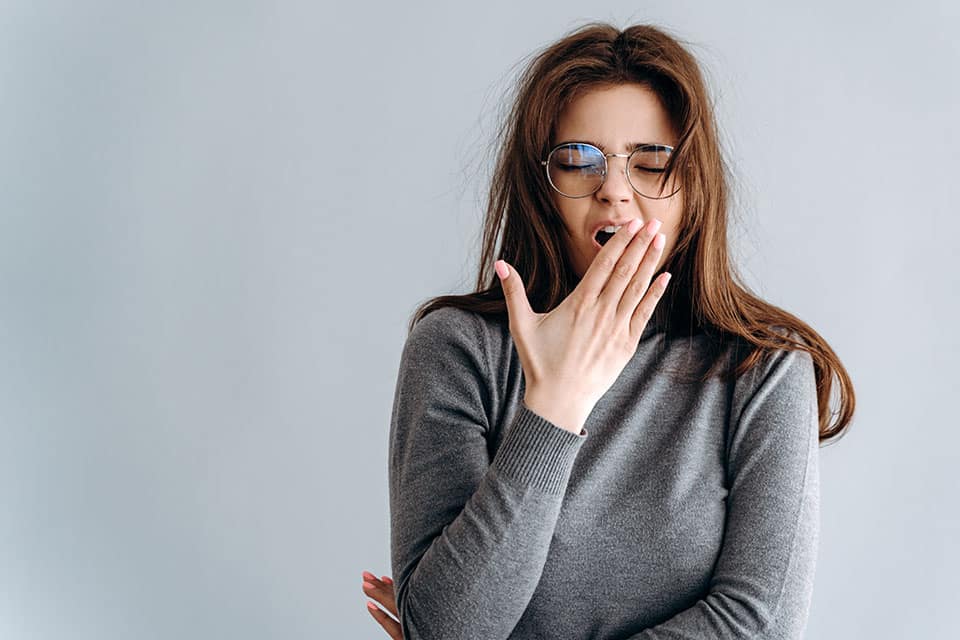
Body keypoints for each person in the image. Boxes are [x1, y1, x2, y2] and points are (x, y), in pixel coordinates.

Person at [360, 21, 855, 640]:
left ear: (693, 186)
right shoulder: (458, 348)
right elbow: (447, 628)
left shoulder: (765, 368)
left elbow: (759, 625)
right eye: (578, 161)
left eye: (650, 162)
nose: (615, 193)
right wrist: (556, 405)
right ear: (543, 190)